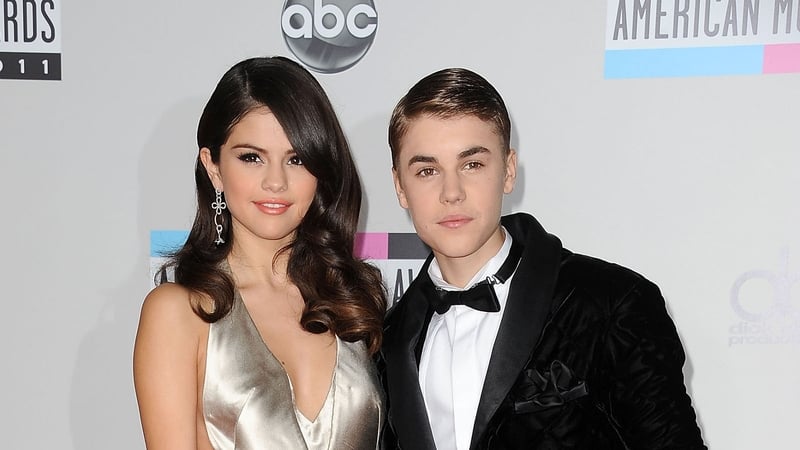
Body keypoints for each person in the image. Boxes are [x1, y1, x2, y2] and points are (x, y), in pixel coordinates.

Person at [379, 68, 706, 449]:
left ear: (508, 171)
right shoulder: (387, 341)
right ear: (401, 187)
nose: (451, 192)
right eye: (427, 170)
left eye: (472, 164)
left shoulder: (613, 303)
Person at [133, 56, 387, 450]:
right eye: (251, 157)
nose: (275, 181)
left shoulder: (352, 300)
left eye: (297, 159)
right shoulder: (179, 313)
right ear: (213, 167)